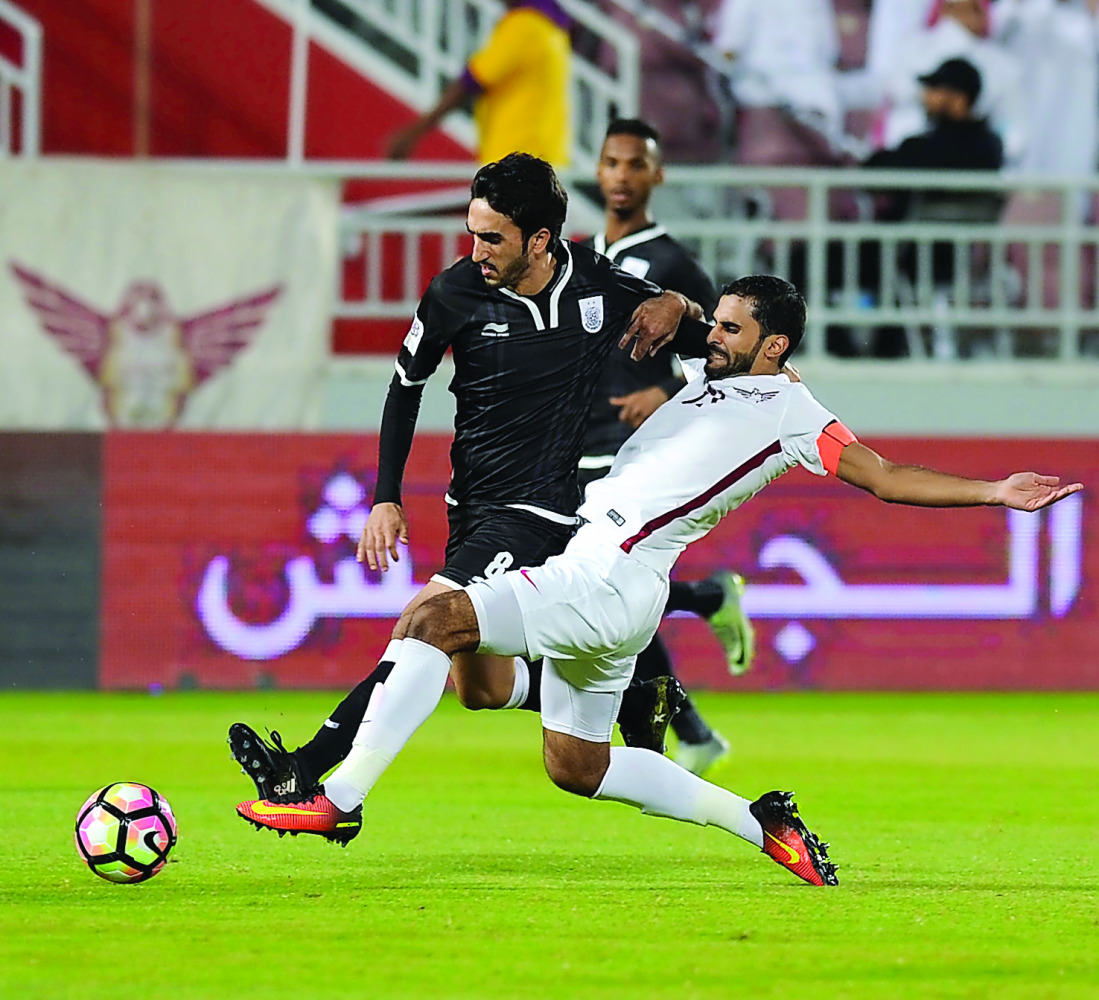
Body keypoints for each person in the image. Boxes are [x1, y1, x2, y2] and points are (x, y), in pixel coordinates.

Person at [236, 274, 1081, 886]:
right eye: (711, 322)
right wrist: (671, 315)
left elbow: (884, 474)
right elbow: (665, 347)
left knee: (433, 617)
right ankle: (759, 822)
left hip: (608, 577)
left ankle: (338, 795)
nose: (711, 336)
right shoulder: (699, 385)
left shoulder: (793, 412)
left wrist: (993, 492)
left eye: (728, 327)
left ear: (773, 344)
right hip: (605, 582)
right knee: (575, 764)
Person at [229, 152, 711, 805]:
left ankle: (307, 769)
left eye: (491, 237)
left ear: (540, 240)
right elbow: (405, 386)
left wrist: (677, 305)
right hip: (470, 508)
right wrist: (386, 497)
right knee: (478, 687)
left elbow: (712, 347)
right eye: (472, 232)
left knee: (423, 621)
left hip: (543, 509)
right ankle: (635, 692)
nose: (475, 249)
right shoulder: (454, 292)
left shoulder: (600, 285)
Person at [583, 117, 754, 775]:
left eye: (635, 164)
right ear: (597, 172)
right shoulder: (583, 256)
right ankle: (694, 710)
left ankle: (683, 722)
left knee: (604, 585)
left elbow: (729, 358)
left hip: (635, 450)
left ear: (656, 175)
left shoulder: (674, 263)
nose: (621, 176)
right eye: (611, 163)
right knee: (612, 591)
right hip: (577, 442)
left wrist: (669, 390)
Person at [385, 0, 571, 166]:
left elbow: (471, 81)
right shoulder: (552, 30)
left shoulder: (525, 25)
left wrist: (413, 133)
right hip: (542, 157)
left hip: (516, 158)